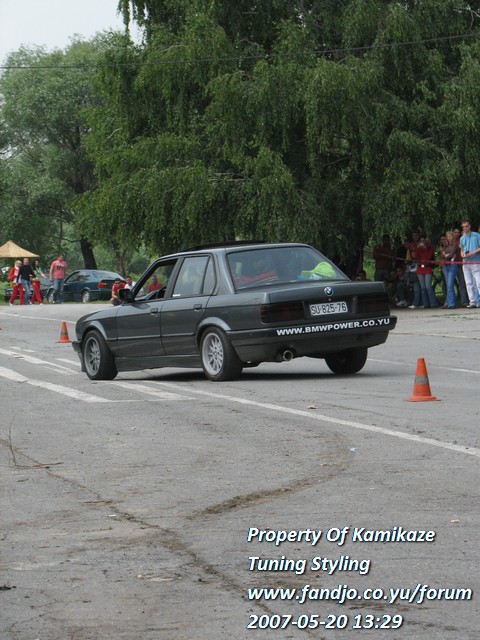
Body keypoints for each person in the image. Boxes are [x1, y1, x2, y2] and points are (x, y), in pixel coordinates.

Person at [459, 219, 480, 308]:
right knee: (468, 283)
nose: (465, 228)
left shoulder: (476, 235)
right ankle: (472, 301)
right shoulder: (462, 238)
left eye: (467, 226)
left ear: (470, 226)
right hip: (466, 262)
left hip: (475, 262)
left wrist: (473, 252)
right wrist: (462, 255)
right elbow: (462, 249)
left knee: (478, 282)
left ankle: (478, 301)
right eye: (463, 227)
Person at [415, 236, 438, 308]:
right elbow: (415, 257)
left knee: (428, 286)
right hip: (420, 268)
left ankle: (433, 303)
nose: (422, 242)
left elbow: (428, 257)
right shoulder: (418, 248)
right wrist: (418, 248)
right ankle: (425, 304)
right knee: (423, 288)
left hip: (427, 268)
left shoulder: (429, 248)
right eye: (421, 241)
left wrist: (425, 248)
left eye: (423, 240)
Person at [441, 231, 460, 309]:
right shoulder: (445, 246)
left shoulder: (455, 245)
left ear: (453, 237)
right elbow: (442, 256)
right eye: (448, 236)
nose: (449, 238)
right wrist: (445, 256)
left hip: (453, 266)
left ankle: (451, 304)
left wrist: (446, 256)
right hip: (446, 266)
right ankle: (450, 303)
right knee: (448, 285)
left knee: (449, 285)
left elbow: (452, 254)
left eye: (450, 236)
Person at [452, 226, 469, 306]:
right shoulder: (450, 242)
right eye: (455, 232)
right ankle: (451, 302)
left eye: (458, 232)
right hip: (451, 265)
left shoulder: (461, 241)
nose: (457, 234)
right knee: (449, 284)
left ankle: (464, 302)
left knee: (462, 284)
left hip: (460, 265)